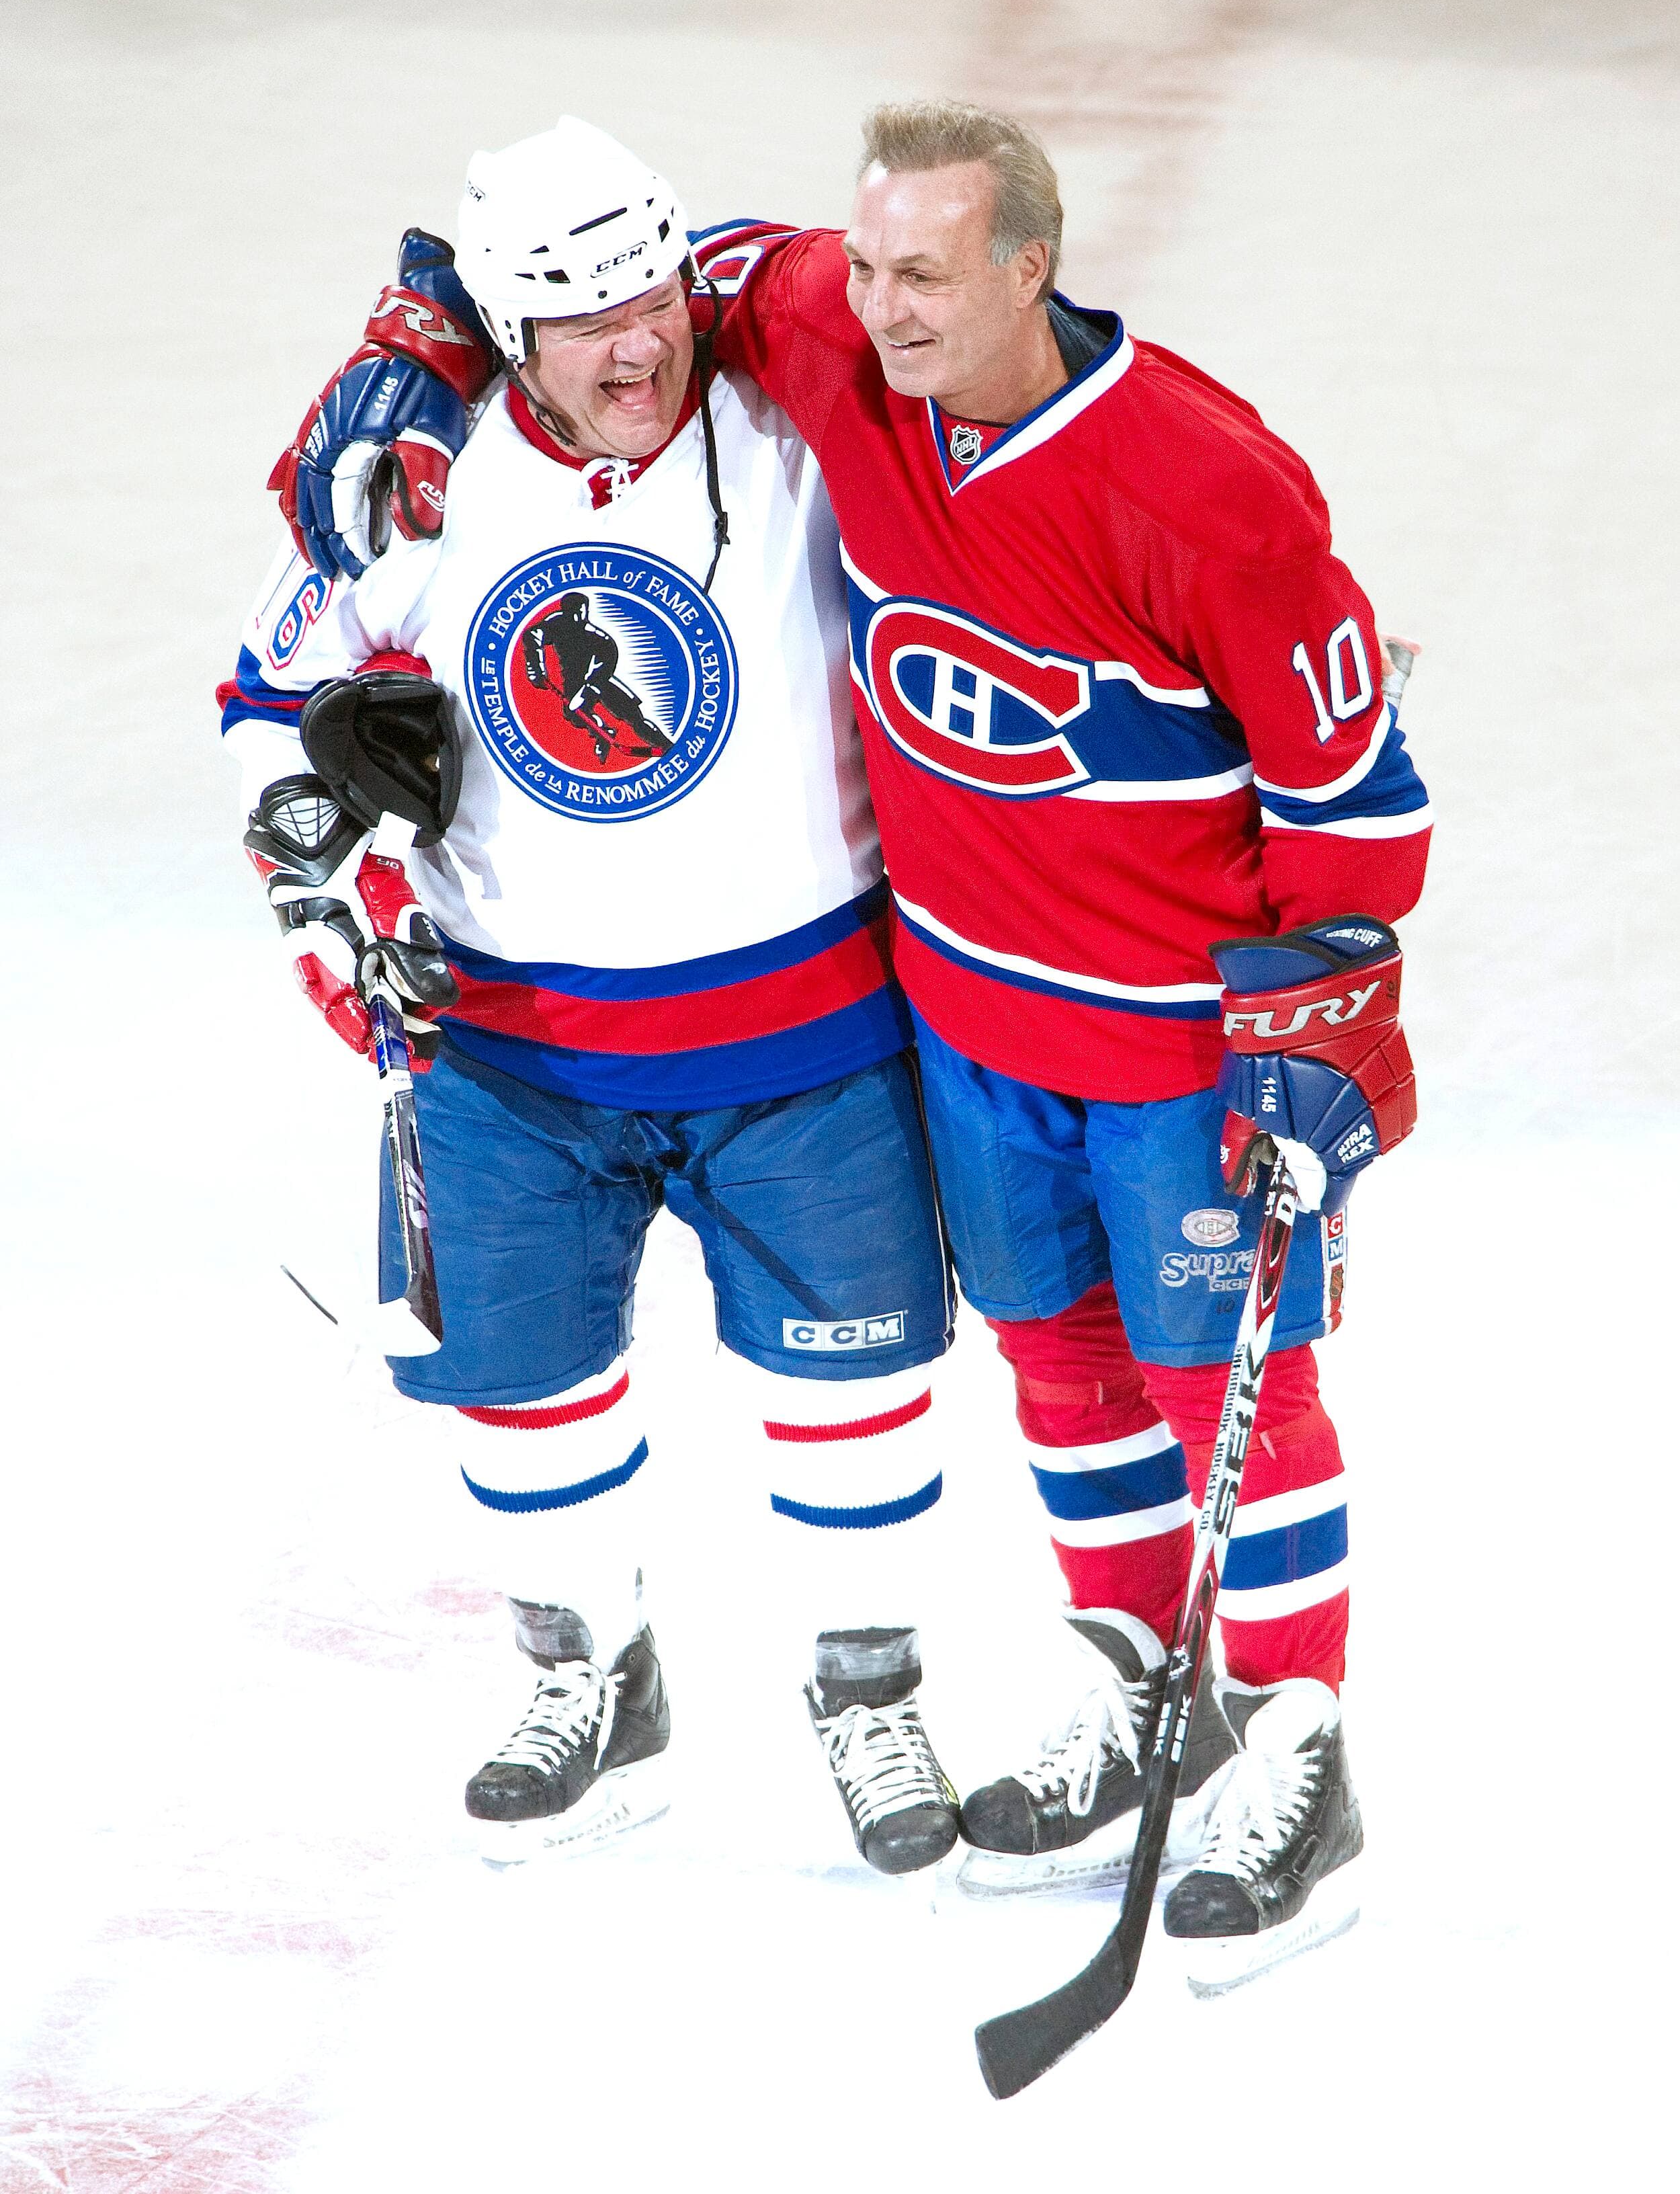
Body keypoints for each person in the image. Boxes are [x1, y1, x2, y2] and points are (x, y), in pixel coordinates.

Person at [269, 99, 1431, 1987]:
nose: (879, 307)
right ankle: (1143, 1688)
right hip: (968, 1018)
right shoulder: (817, 328)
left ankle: (1295, 1748)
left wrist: (1317, 1025)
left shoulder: (1207, 485)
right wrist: (408, 349)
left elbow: (1354, 801)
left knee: (1235, 1378)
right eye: (865, 264)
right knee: (1057, 1366)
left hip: (1165, 1040)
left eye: (926, 273)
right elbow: (644, 275)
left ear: (1030, 267)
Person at [226, 117, 965, 1877]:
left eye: (649, 294)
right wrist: (327, 864)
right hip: (517, 1058)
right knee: (527, 1392)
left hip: (806, 1037)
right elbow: (269, 708)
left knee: (853, 1394)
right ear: (506, 330)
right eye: (578, 317)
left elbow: (840, 272)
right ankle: (592, 1677)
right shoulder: (411, 476)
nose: (633, 343)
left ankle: (868, 1697)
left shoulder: (790, 409)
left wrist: (418, 319)